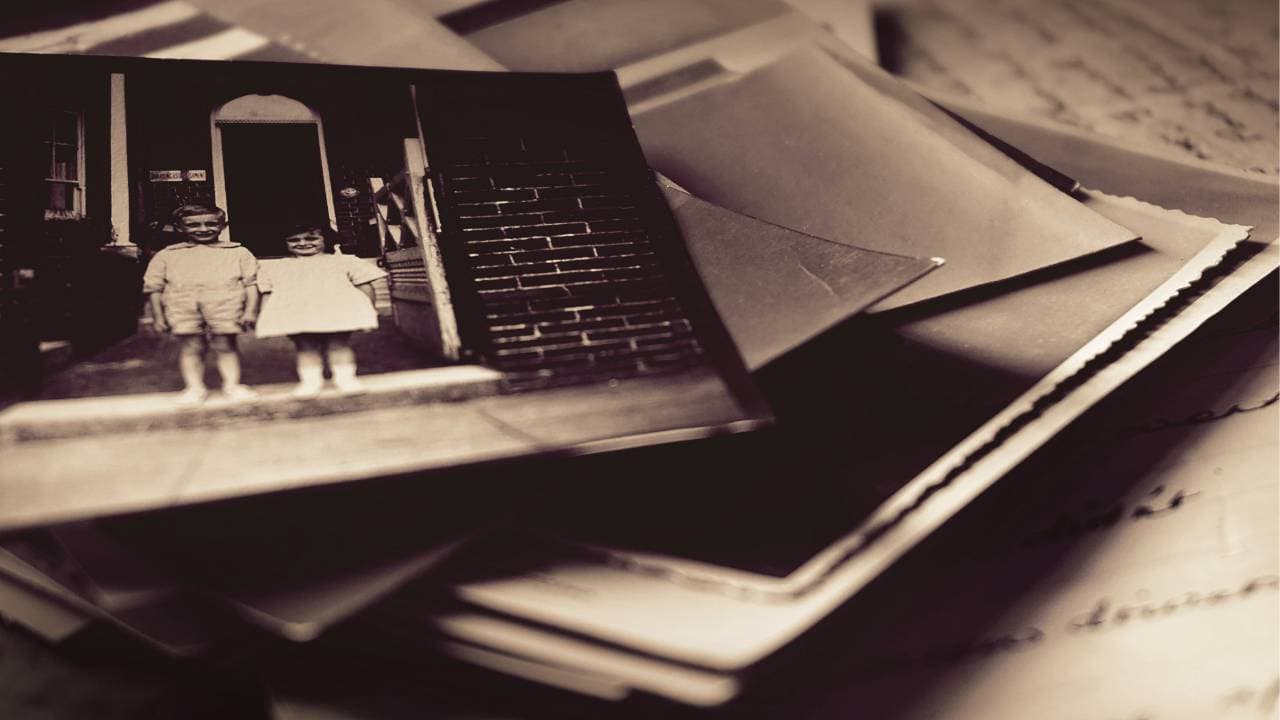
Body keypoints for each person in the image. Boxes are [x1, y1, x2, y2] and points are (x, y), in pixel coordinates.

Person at [142, 204, 260, 405]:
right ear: (180, 227)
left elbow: (251, 284)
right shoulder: (167, 255)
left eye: (211, 224)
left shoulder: (238, 252)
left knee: (225, 345)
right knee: (191, 347)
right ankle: (194, 388)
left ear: (222, 226)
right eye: (193, 225)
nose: (203, 229)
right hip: (182, 305)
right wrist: (158, 316)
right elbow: (154, 288)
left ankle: (232, 386)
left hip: (226, 304)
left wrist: (250, 311)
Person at [255, 222, 387, 396]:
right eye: (294, 240)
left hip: (337, 311)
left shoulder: (344, 261)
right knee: (305, 347)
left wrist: (369, 310)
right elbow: (267, 292)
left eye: (311, 238)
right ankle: (311, 383)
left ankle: (346, 380)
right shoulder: (276, 267)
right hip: (297, 313)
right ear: (284, 242)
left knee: (338, 344)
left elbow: (365, 286)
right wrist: (266, 318)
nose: (302, 243)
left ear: (327, 239)